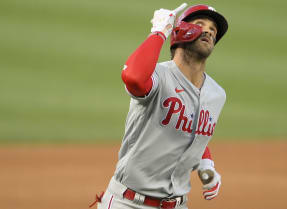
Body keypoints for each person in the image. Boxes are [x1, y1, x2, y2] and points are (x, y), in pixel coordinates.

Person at [92, 3, 229, 209]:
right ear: (180, 30)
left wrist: (206, 166)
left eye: (213, 30)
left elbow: (196, 136)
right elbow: (133, 78)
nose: (209, 31)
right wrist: (159, 32)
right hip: (128, 202)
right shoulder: (157, 76)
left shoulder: (216, 94)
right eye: (200, 24)